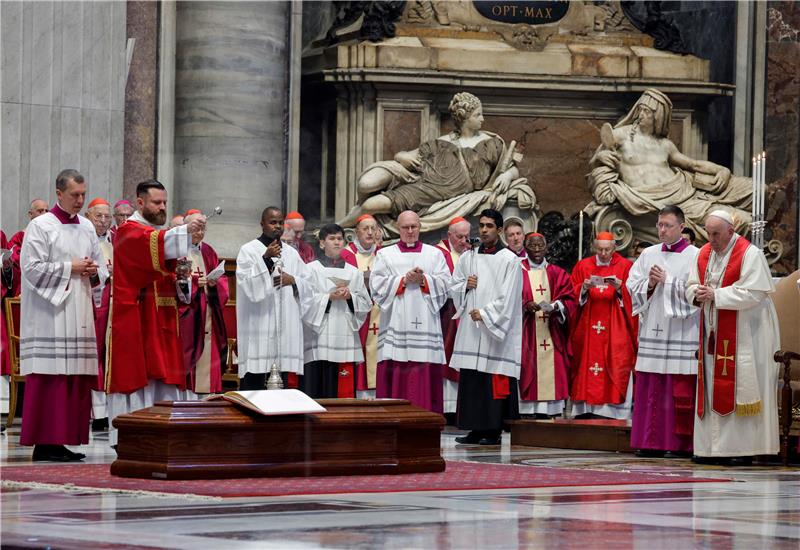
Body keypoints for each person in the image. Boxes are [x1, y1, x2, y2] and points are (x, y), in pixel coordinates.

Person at [339, 92, 533, 230]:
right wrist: (401, 156)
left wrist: (508, 175)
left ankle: (339, 227)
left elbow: (512, 168)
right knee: (366, 185)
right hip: (425, 183)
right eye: (477, 115)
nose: (482, 119)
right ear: (464, 118)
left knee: (371, 206)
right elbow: (408, 156)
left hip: (438, 192)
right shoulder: (442, 142)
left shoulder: (490, 143)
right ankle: (341, 226)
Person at [107, 180, 205, 447]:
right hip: (136, 315)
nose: (162, 207)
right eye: (156, 202)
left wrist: (182, 278)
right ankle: (131, 434)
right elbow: (151, 246)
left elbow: (168, 269)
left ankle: (163, 431)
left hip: (162, 315)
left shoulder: (158, 234)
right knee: (138, 374)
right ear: (140, 203)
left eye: (164, 202)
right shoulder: (128, 231)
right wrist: (185, 230)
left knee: (164, 373)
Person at [19, 169, 107, 461]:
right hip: (50, 314)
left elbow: (102, 268)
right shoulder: (41, 226)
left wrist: (95, 272)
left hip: (78, 310)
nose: (80, 200)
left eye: (83, 194)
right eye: (75, 195)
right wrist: (70, 268)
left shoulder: (85, 226)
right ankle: (45, 443)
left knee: (75, 378)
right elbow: (30, 268)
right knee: (51, 377)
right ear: (59, 194)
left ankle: (65, 440)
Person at [587, 88, 752, 241]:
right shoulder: (620, 135)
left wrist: (722, 169)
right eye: (640, 109)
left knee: (746, 210)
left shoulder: (665, 145)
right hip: (652, 201)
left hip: (685, 195)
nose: (641, 115)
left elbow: (693, 165)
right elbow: (596, 162)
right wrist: (600, 157)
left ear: (658, 117)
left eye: (648, 111)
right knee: (737, 221)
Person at [686, 210, 780, 465]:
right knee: (712, 384)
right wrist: (697, 293)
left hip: (747, 331)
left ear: (731, 230)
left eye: (716, 233)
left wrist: (716, 295)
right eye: (708, 232)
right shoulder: (704, 254)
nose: (711, 238)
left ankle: (739, 449)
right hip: (712, 334)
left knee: (739, 384)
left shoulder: (750, 254)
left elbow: (755, 293)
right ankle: (709, 449)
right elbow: (690, 285)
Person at [627, 205, 699, 457]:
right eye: (659, 225)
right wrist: (649, 283)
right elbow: (631, 285)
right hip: (654, 330)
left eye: (668, 225)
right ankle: (649, 441)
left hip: (681, 332)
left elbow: (698, 293)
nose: (662, 230)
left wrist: (667, 282)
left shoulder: (696, 256)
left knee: (678, 389)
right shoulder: (648, 254)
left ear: (681, 227)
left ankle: (678, 445)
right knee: (651, 387)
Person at [450, 209, 522, 445]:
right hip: (472, 330)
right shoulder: (468, 257)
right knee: (472, 378)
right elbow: (454, 285)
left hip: (494, 330)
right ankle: (474, 429)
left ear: (499, 230)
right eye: (481, 225)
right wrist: (465, 287)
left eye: (489, 226)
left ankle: (492, 430)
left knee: (492, 378)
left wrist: (486, 314)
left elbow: (509, 297)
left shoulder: (509, 260)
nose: (483, 230)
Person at [370, 210, 451, 413]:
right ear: (398, 228)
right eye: (405, 227)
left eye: (414, 226)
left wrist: (424, 280)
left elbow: (446, 284)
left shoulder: (434, 254)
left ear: (420, 227)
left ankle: (427, 418)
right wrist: (404, 280)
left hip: (426, 322)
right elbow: (377, 286)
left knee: (424, 367)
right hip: (396, 323)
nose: (410, 231)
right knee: (397, 367)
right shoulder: (385, 254)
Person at [236, 207, 313, 390]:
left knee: (282, 382)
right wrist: (266, 259)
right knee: (255, 381)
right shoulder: (249, 250)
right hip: (258, 326)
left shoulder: (292, 253)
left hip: (284, 330)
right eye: (272, 222)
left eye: (280, 222)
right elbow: (248, 287)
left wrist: (293, 280)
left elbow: (309, 284)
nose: (277, 226)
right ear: (262, 224)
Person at [570, 232, 637, 419]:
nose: (604, 253)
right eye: (600, 249)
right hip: (587, 325)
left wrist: (620, 289)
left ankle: (613, 412)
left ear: (615, 248)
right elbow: (570, 294)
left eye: (607, 249)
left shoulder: (626, 266)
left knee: (616, 362)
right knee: (585, 364)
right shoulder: (583, 266)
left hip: (616, 326)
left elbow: (635, 298)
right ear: (594, 247)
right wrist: (583, 288)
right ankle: (585, 410)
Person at [303, 224, 372, 398]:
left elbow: (366, 303)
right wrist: (328, 298)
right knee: (319, 386)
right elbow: (304, 302)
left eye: (340, 239)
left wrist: (350, 297)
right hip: (320, 336)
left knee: (343, 388)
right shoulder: (312, 269)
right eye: (332, 239)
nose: (337, 242)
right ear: (321, 243)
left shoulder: (353, 272)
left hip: (345, 335)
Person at [519, 232, 576, 418]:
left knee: (555, 366)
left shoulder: (557, 273)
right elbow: (507, 298)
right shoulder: (517, 271)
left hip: (552, 331)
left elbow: (570, 299)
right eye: (532, 246)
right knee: (527, 367)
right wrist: (525, 304)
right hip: (526, 332)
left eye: (540, 246)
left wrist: (557, 306)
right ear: (525, 248)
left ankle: (550, 410)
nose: (536, 250)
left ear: (546, 247)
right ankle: (526, 411)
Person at [177, 210, 229, 395]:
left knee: (209, 355)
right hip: (189, 316)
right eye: (196, 228)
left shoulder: (208, 251)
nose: (199, 233)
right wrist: (192, 283)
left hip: (208, 314)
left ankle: (207, 402)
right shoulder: (177, 251)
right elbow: (171, 281)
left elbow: (222, 283)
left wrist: (214, 284)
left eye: (203, 228)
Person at [434, 216, 472, 418]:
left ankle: (461, 407)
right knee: (445, 358)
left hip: (466, 315)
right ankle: (447, 407)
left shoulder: (472, 254)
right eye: (459, 237)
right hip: (445, 314)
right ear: (449, 235)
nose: (464, 241)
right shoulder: (437, 254)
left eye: (467, 236)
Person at [340, 214, 382, 398]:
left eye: (373, 228)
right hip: (354, 311)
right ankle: (356, 393)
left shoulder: (383, 254)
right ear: (356, 231)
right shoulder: (346, 254)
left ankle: (377, 391)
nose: (370, 232)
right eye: (365, 228)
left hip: (379, 311)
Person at [85, 197, 114, 430]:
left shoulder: (117, 240)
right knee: (93, 356)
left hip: (115, 306)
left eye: (107, 217)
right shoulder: (83, 239)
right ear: (88, 216)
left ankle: (108, 412)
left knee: (110, 356)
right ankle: (96, 412)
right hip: (92, 304)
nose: (103, 221)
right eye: (99, 216)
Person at [7, 199, 50, 297]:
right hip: (26, 288)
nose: (44, 214)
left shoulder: (54, 237)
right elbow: (15, 263)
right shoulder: (19, 237)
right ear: (30, 214)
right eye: (40, 211)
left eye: (47, 211)